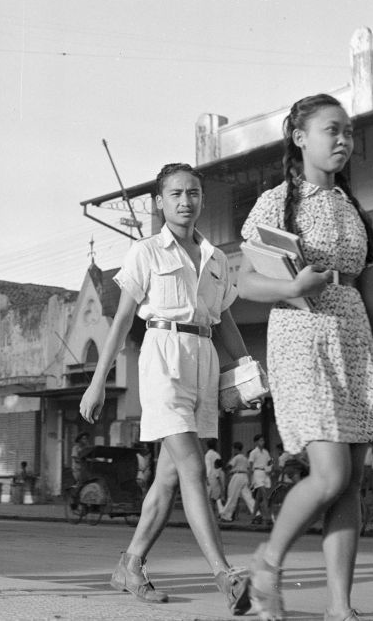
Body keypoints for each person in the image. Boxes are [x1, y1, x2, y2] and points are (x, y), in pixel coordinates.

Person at [237, 93, 373, 621]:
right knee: (330, 474)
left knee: (352, 483)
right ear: (300, 138)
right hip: (302, 337)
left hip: (352, 341)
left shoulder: (351, 208)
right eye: (331, 130)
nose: (343, 140)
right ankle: (267, 565)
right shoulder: (276, 202)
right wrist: (292, 283)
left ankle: (340, 609)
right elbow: (244, 279)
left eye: (348, 132)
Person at [80, 163, 254, 616]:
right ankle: (225, 575)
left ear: (201, 198)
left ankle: (130, 565)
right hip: (163, 358)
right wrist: (98, 381)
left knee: (170, 475)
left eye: (193, 193)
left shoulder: (216, 259)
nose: (185, 201)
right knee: (193, 467)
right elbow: (121, 320)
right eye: (175, 193)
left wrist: (250, 367)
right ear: (160, 201)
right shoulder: (146, 252)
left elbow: (225, 319)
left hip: (205, 360)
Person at [219, 442, 255, 523]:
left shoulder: (236, 457)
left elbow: (229, 466)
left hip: (237, 475)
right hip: (245, 476)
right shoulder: (245, 458)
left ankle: (226, 516)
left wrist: (229, 462)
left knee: (232, 496)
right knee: (248, 497)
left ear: (235, 449)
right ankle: (257, 514)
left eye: (233, 449)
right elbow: (249, 468)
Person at [249, 434, 273, 525]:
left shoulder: (266, 452)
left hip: (265, 474)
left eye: (263, 440)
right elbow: (250, 465)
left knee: (259, 498)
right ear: (256, 442)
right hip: (257, 473)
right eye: (260, 440)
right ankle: (268, 517)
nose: (262, 442)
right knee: (264, 494)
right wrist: (250, 479)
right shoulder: (253, 453)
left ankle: (253, 516)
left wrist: (270, 469)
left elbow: (270, 461)